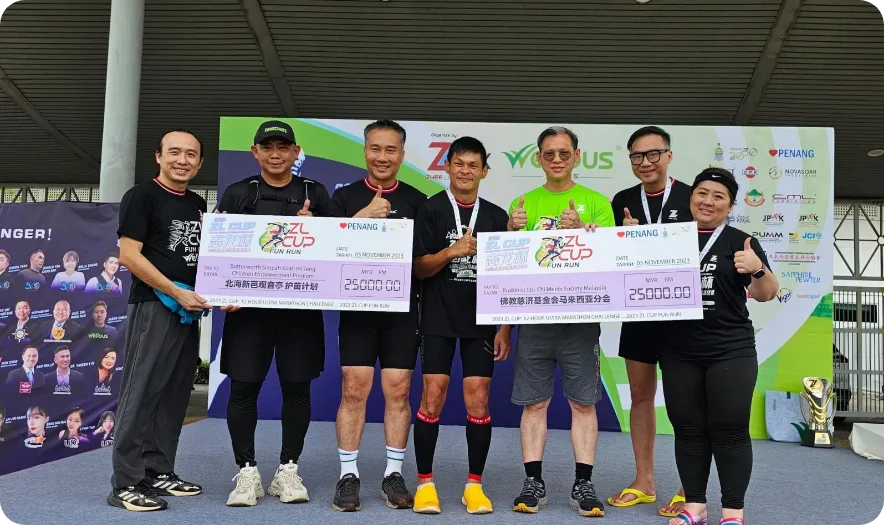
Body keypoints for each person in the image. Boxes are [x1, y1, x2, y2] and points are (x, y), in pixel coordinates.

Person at [217, 120, 331, 508]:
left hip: (300, 310)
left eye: (284, 147)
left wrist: (317, 230)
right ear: (255, 152)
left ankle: (288, 470)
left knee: (297, 388)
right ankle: (247, 471)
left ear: (296, 152)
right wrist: (221, 290)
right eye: (267, 147)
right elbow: (219, 250)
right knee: (243, 388)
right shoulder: (238, 193)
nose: (276, 154)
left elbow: (338, 250)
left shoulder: (315, 193)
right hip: (248, 313)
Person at [505, 126, 615, 517]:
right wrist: (510, 232)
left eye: (563, 153)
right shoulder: (522, 203)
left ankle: (583, 483)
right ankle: (532, 481)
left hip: (581, 321)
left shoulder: (597, 203)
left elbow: (610, 264)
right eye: (549, 153)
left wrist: (586, 233)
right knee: (534, 403)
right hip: (535, 319)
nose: (556, 160)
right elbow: (509, 267)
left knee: (583, 404)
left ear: (576, 156)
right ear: (538, 158)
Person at [662, 167, 778, 525]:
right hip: (678, 350)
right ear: (691, 197)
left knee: (730, 428)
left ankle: (732, 512)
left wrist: (757, 269)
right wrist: (628, 240)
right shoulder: (666, 238)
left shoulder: (742, 242)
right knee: (687, 428)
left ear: (730, 205)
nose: (708, 201)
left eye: (718, 196)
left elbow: (767, 293)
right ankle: (695, 506)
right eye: (702, 193)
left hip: (731, 349)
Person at [107, 129, 210, 512]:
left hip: (187, 310)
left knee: (174, 394)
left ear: (200, 163)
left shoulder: (197, 204)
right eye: (174, 152)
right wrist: (174, 291)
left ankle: (158, 470)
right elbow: (129, 256)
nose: (182, 160)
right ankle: (126, 482)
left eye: (190, 154)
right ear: (158, 156)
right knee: (141, 391)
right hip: (155, 305)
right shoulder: (141, 196)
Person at [328, 119, 426, 512]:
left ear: (401, 154)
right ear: (365, 151)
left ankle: (393, 474)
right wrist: (364, 217)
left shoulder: (419, 200)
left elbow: (425, 262)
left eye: (390, 149)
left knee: (399, 391)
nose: (382, 157)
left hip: (402, 312)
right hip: (358, 312)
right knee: (354, 390)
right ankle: (347, 475)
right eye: (375, 148)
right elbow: (327, 250)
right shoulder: (343, 198)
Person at [410, 137, 511, 515]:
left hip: (481, 322)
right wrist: (451, 251)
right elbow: (419, 268)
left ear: (484, 171)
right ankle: (425, 484)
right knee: (432, 397)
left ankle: (474, 486)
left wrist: (505, 327)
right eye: (459, 164)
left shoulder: (496, 216)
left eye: (473, 165)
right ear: (447, 167)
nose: (465, 171)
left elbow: (507, 278)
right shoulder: (431, 209)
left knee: (478, 399)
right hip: (437, 319)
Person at [608, 126, 691, 516]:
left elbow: (702, 249)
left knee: (684, 402)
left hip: (681, 317)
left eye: (653, 154)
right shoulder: (623, 200)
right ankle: (644, 480)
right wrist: (621, 239)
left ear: (669, 155)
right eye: (637, 156)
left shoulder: (692, 197)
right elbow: (611, 257)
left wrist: (650, 239)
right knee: (640, 396)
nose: (645, 162)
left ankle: (690, 486)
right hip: (638, 312)